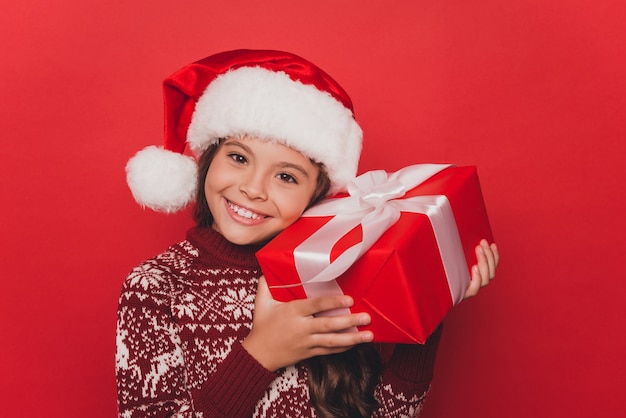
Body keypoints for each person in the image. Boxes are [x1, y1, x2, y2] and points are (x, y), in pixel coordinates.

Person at [116, 49, 499, 418]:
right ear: (206, 160)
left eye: (286, 176)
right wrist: (261, 355)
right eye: (238, 157)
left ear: (317, 194)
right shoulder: (156, 287)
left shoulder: (336, 270)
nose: (253, 188)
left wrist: (428, 310)